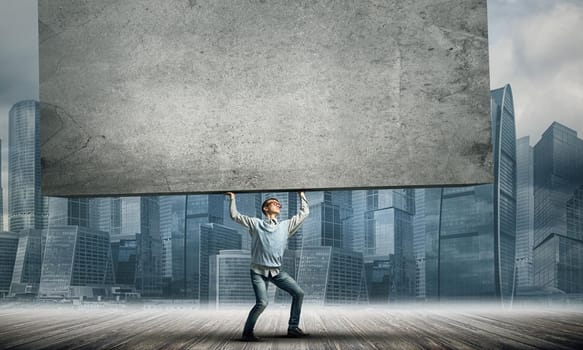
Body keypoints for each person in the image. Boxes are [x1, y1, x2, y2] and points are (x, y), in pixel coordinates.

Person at [225, 191, 310, 342]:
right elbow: (235, 215)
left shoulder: (285, 226)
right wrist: (232, 198)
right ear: (265, 208)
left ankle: (293, 328)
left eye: (279, 204)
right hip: (258, 272)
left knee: (299, 293)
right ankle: (247, 333)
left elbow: (304, 213)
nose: (279, 205)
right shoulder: (255, 223)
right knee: (262, 303)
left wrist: (301, 195)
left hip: (277, 272)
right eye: (274, 203)